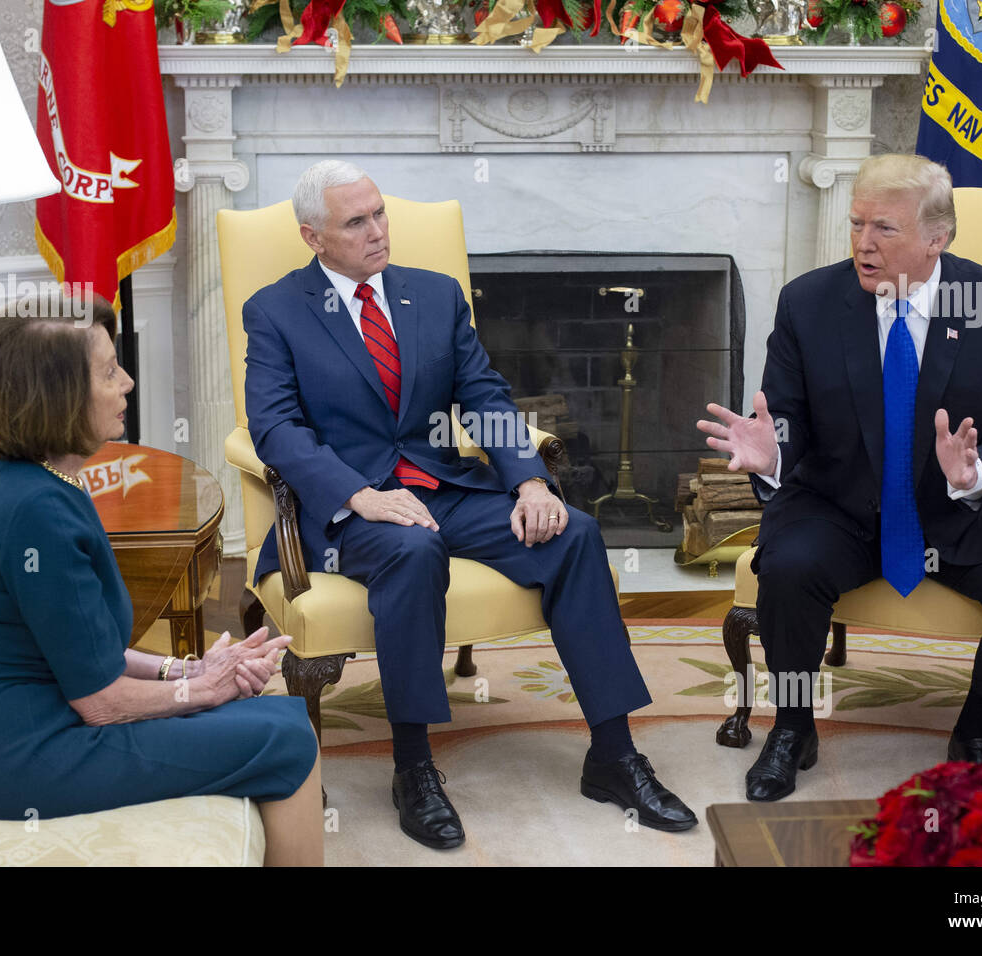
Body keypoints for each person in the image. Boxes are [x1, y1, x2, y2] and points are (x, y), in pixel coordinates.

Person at [243, 160, 696, 849]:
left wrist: (529, 482)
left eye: (380, 213)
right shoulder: (276, 311)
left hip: (442, 488)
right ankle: (414, 766)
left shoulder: (434, 295)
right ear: (313, 237)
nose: (377, 231)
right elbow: (276, 428)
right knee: (411, 548)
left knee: (572, 533)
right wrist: (361, 495)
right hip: (348, 511)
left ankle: (613, 754)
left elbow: (483, 397)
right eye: (356, 221)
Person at [697, 153, 982, 802]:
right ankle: (793, 725)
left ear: (938, 238)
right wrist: (773, 455)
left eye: (885, 230)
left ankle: (978, 729)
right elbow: (782, 417)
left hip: (964, 508)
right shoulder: (809, 303)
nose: (864, 245)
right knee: (787, 570)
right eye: (856, 225)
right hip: (841, 501)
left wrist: (977, 469)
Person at [0, 295, 323, 866]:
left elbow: (88, 651)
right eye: (108, 371)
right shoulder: (36, 512)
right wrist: (208, 692)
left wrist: (187, 671)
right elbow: (99, 701)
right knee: (286, 737)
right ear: (56, 395)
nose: (128, 381)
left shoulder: (40, 483)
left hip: (38, 731)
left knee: (284, 715)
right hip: (22, 759)